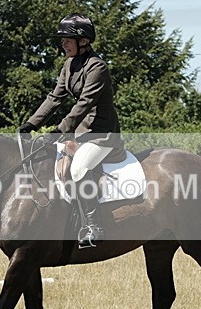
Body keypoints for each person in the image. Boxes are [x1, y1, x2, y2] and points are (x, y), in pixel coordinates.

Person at [18, 13, 124, 248]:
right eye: (62, 39)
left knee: (77, 169)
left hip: (101, 133)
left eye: (67, 39)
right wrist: (31, 123)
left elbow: (84, 103)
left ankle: (94, 226)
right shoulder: (69, 64)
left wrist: (60, 129)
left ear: (83, 41)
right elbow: (55, 97)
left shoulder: (98, 67)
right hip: (80, 133)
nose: (62, 43)